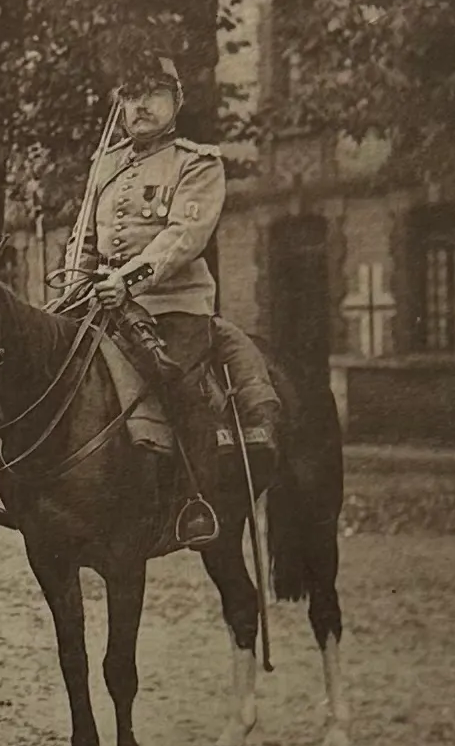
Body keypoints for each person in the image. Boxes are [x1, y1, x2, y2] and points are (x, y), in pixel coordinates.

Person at [42, 53, 284, 544]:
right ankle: (40, 490)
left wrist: (128, 280)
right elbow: (84, 239)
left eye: (153, 93)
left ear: (177, 100)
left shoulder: (197, 163)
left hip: (173, 306)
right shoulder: (105, 165)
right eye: (131, 96)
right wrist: (73, 291)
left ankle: (195, 500)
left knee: (178, 385)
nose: (140, 105)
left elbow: (183, 237)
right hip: (102, 304)